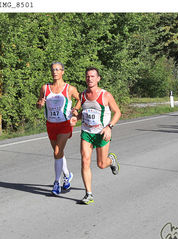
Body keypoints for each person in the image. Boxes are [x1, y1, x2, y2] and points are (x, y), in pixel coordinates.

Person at [72, 67, 121, 205]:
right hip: (87, 132)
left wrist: (109, 127)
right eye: (87, 76)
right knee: (85, 160)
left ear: (98, 78)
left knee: (101, 164)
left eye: (93, 76)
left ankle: (110, 160)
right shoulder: (82, 95)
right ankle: (88, 194)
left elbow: (117, 112)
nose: (90, 79)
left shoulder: (106, 95)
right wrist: (77, 117)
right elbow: (84, 113)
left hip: (102, 133)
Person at [36, 62, 81, 196]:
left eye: (57, 69)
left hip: (64, 123)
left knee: (57, 151)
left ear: (62, 71)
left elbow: (80, 99)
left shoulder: (69, 88)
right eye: (52, 70)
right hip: (51, 124)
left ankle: (57, 182)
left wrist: (76, 109)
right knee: (58, 153)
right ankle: (67, 175)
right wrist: (39, 104)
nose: (54, 72)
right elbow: (39, 104)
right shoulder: (45, 88)